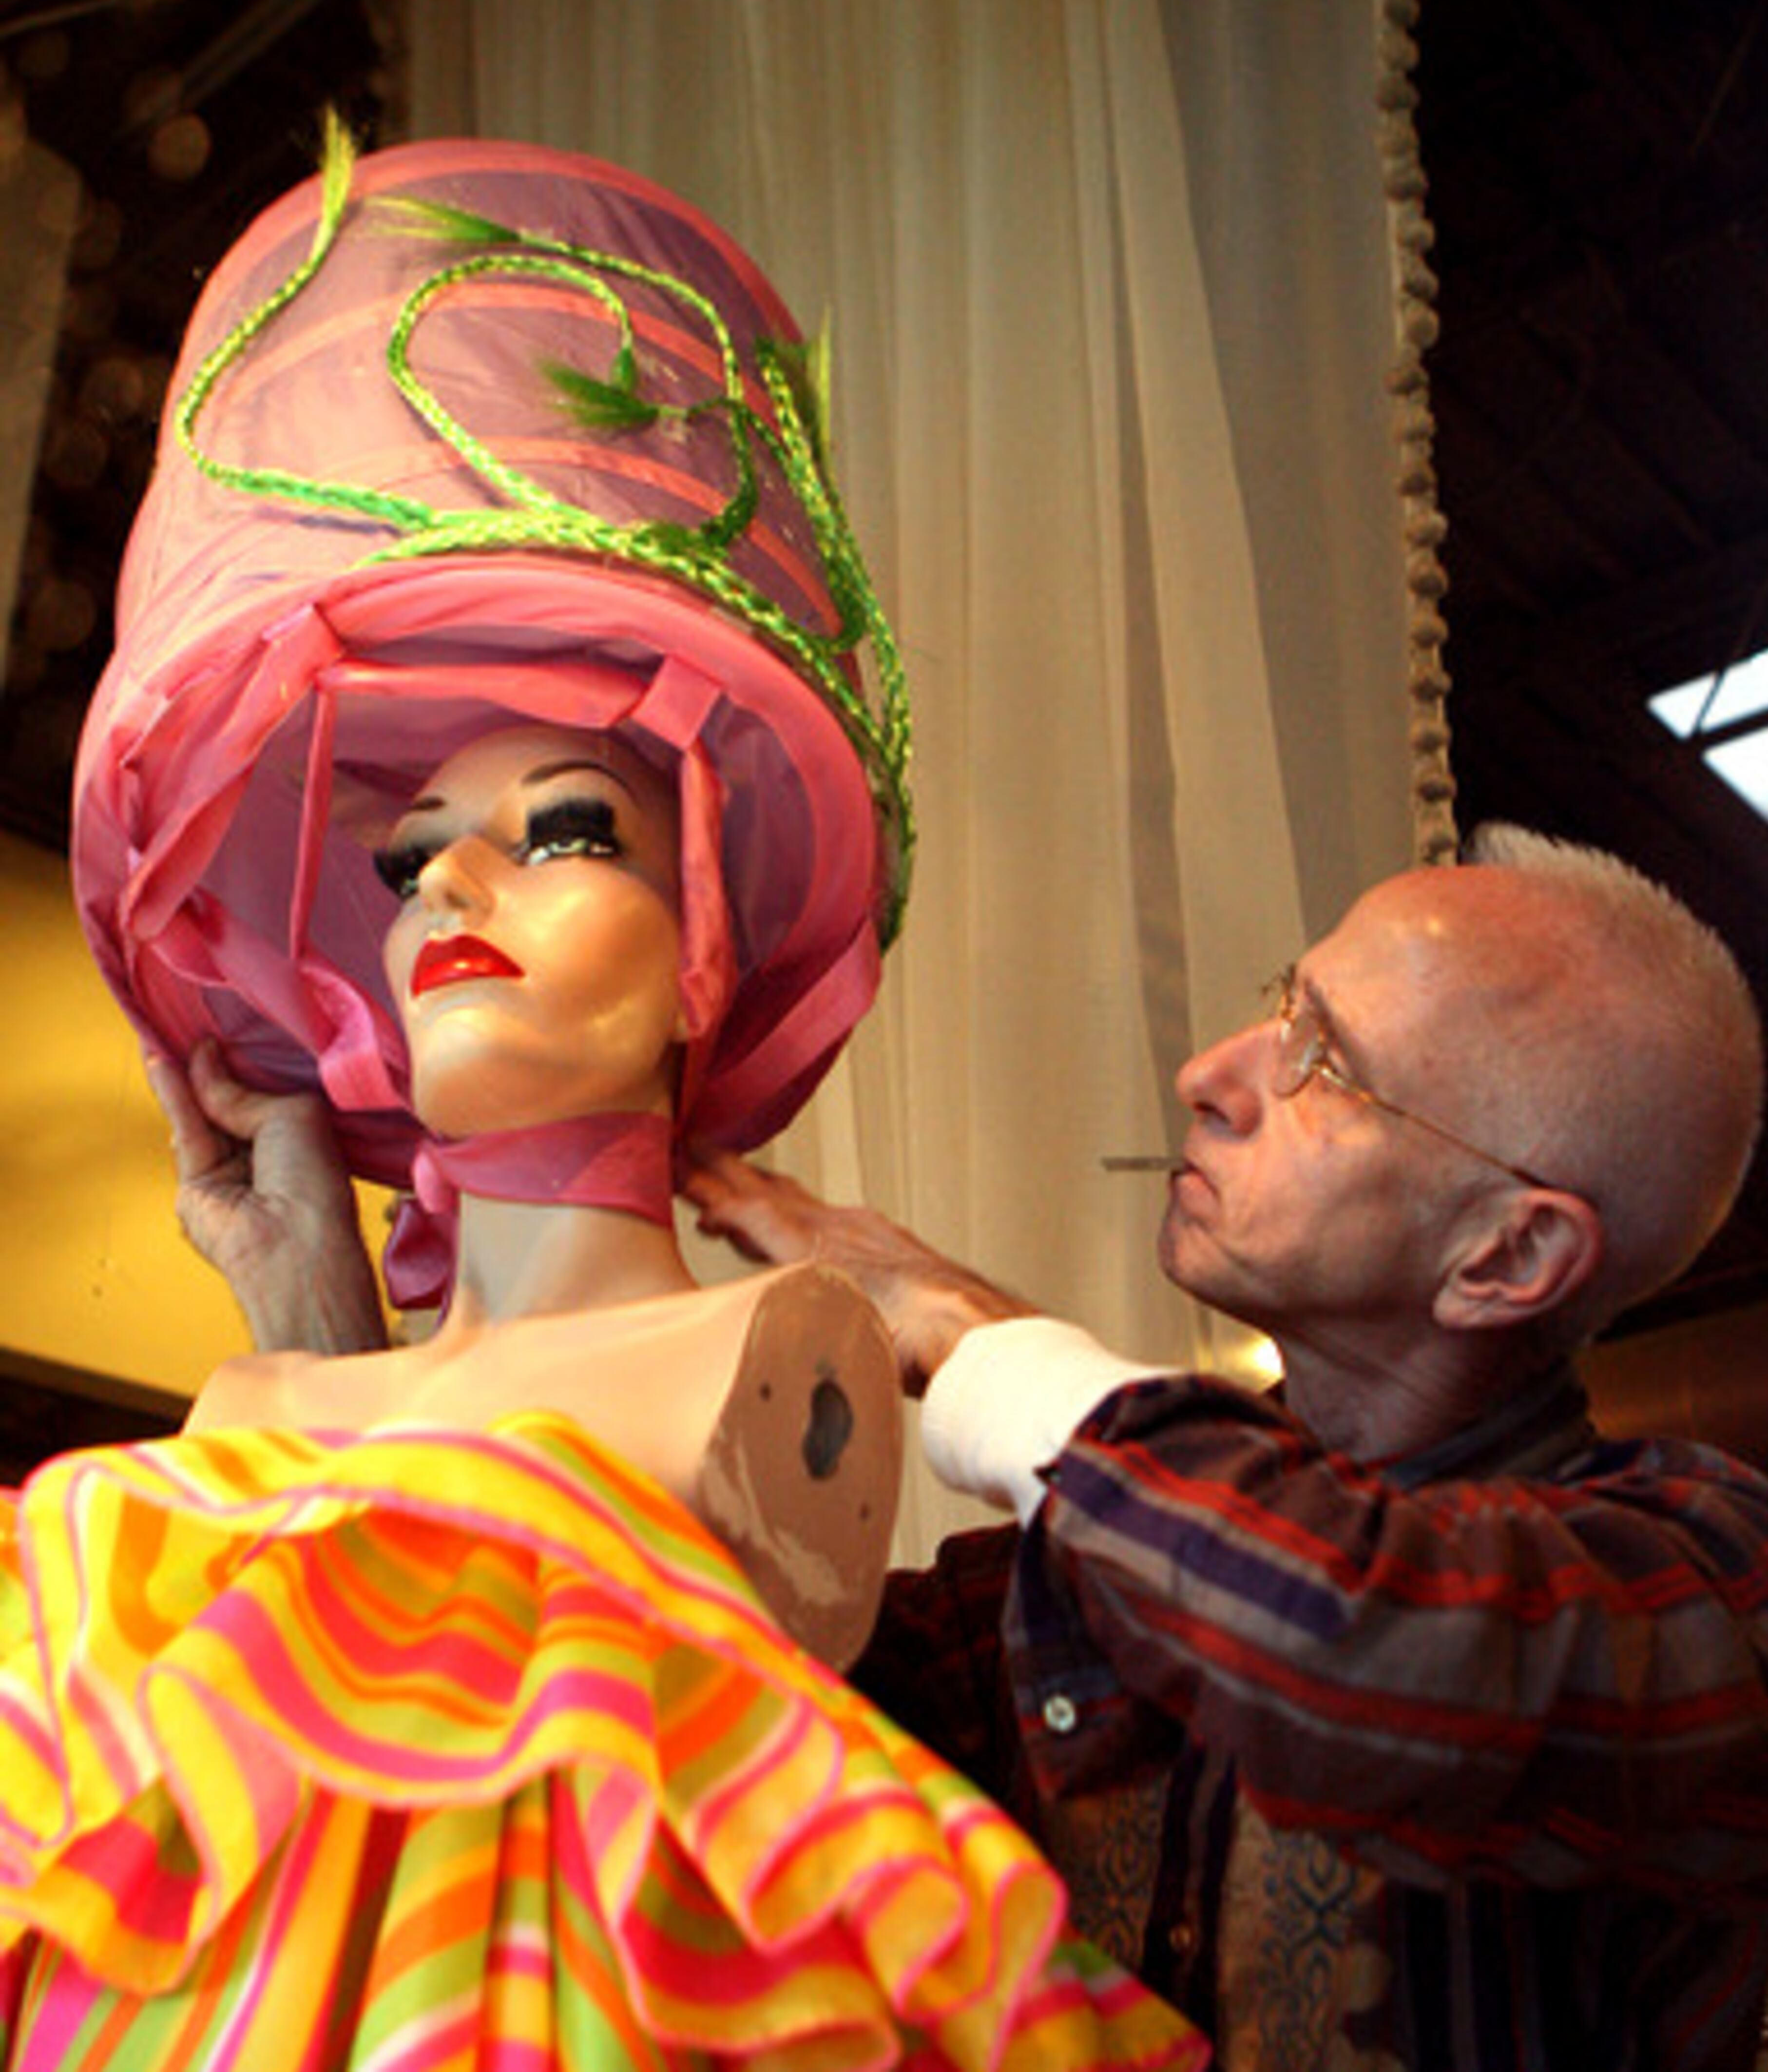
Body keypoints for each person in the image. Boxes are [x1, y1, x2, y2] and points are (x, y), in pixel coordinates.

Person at [0, 132, 1205, 2072]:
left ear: (706, 940)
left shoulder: (779, 1358)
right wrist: (315, 1308)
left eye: (565, 830)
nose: (454, 889)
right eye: (407, 863)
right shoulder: (273, 1410)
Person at [167, 819, 1768, 2068]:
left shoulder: (1722, 1581)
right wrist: (330, 1347)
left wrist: (977, 1347)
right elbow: (593, 1707)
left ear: (1508, 1258)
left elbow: (1366, 1642)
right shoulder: (1052, 1595)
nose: (1212, 1071)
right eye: (1281, 1002)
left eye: (1326, 1062)